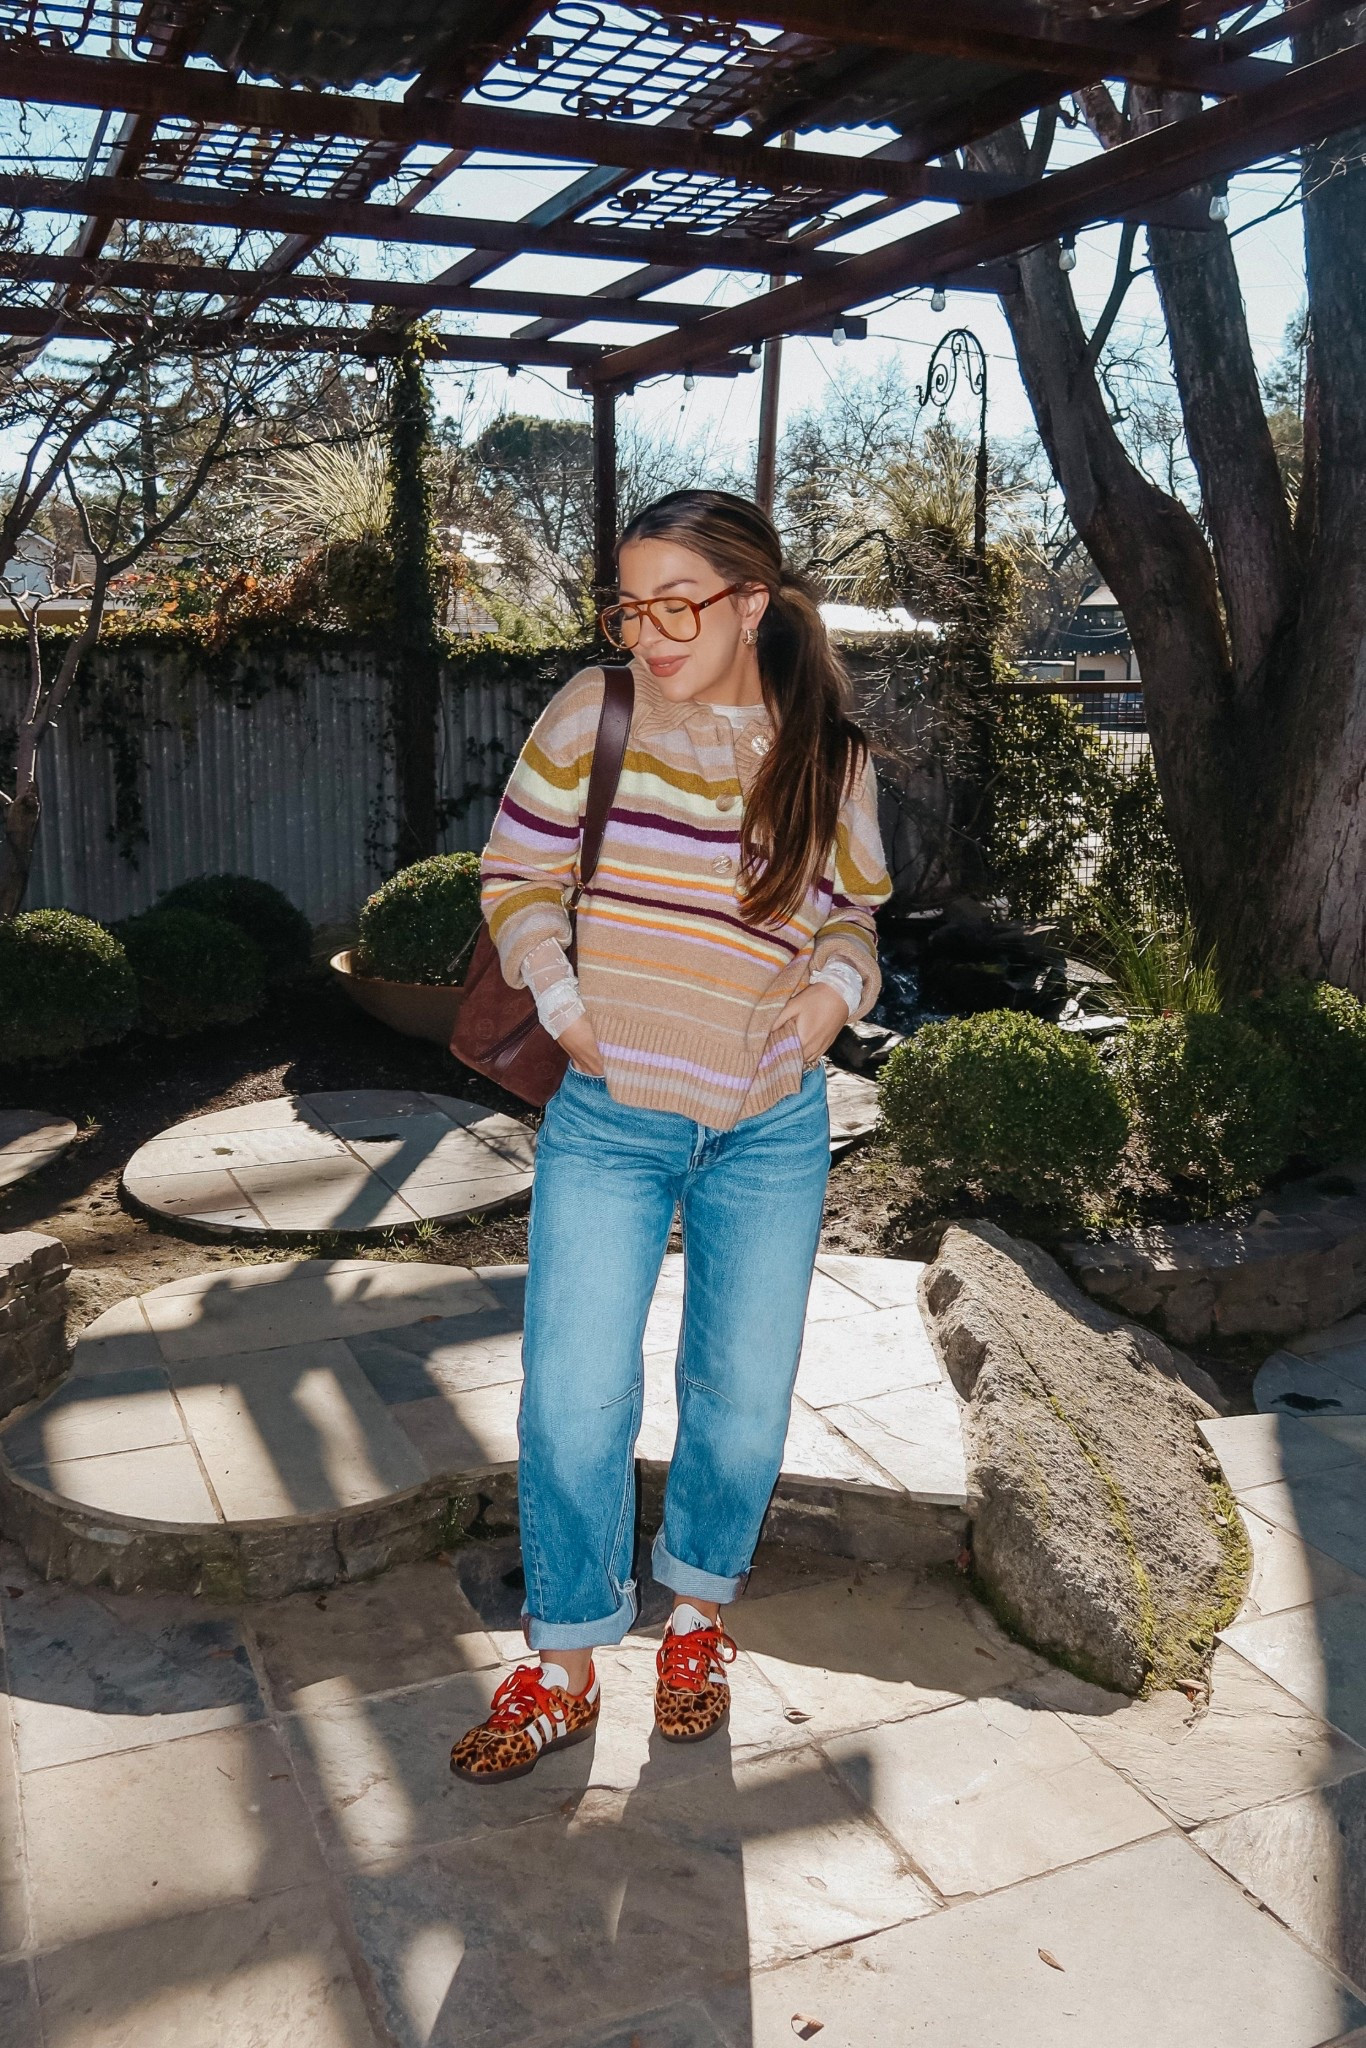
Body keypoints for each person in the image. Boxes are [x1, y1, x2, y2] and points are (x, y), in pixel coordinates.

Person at [450, 489, 890, 1783]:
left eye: (674, 604)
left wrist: (821, 1008)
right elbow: (516, 871)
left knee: (739, 1402)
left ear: (751, 602)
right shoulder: (598, 712)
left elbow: (854, 921)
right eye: (628, 605)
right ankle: (567, 1659)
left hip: (767, 1131)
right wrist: (566, 1004)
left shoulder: (829, 756)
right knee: (572, 1398)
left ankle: (697, 1620)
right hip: (609, 1120)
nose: (645, 630)